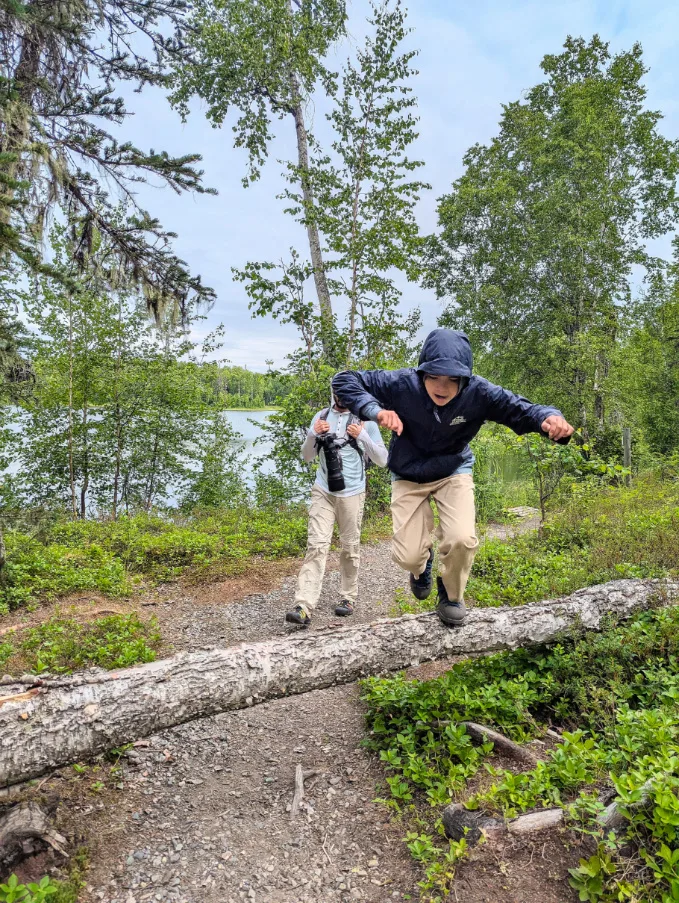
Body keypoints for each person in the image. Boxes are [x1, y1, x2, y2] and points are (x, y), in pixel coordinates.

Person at [332, 328, 574, 626]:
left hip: (453, 469)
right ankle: (422, 567)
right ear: (422, 372)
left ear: (465, 379)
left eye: (452, 379)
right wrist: (374, 410)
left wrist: (548, 417)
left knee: (461, 538)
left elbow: (521, 408)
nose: (442, 386)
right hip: (408, 471)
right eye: (434, 376)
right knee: (408, 555)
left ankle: (451, 594)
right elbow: (344, 380)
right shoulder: (401, 384)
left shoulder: (480, 392)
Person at [285, 391, 388, 627]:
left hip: (352, 492)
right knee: (316, 545)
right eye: (337, 391)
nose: (341, 397)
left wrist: (363, 436)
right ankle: (303, 606)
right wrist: (313, 434)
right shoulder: (321, 416)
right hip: (323, 490)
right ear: (332, 393)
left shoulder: (366, 420)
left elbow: (383, 460)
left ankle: (348, 597)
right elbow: (307, 456)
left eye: (346, 392)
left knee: (349, 547)